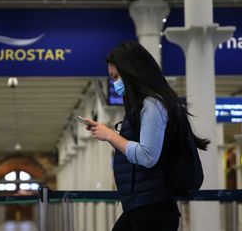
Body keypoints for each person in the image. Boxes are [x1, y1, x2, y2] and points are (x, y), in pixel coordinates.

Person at [84, 42, 210, 231]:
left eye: (117, 76)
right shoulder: (143, 106)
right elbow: (138, 148)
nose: (115, 83)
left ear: (131, 71)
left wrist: (111, 135)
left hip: (153, 209)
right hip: (141, 205)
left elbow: (147, 156)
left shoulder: (153, 104)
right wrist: (108, 133)